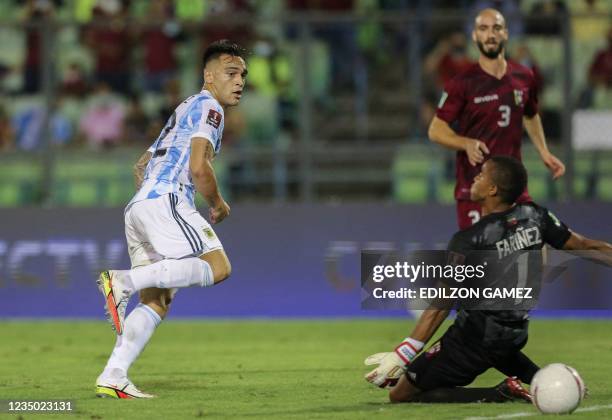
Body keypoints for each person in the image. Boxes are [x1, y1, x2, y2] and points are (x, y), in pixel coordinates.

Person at [364, 156, 612, 403]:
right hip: (514, 333)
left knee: (401, 394)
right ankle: (555, 381)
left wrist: (403, 353)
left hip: (473, 339)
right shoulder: (537, 216)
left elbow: (442, 304)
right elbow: (583, 245)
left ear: (492, 189)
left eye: (481, 175)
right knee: (498, 346)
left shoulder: (470, 239)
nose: (475, 179)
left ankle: (500, 393)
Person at [94, 40, 247, 399]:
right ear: (208, 76)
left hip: (139, 206)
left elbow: (140, 165)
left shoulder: (185, 107)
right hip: (168, 200)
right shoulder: (211, 107)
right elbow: (198, 167)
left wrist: (151, 196)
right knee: (218, 266)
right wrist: (218, 203)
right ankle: (123, 281)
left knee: (158, 300)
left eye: (242, 74)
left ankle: (113, 374)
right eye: (231, 73)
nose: (239, 80)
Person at [428, 8, 565, 230]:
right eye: (483, 28)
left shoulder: (524, 77)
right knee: (482, 262)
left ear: (506, 34)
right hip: (475, 191)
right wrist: (466, 142)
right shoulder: (462, 82)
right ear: (475, 36)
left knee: (534, 251)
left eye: (496, 28)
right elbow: (435, 130)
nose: (490, 34)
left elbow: (530, 115)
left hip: (513, 189)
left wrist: (544, 151)